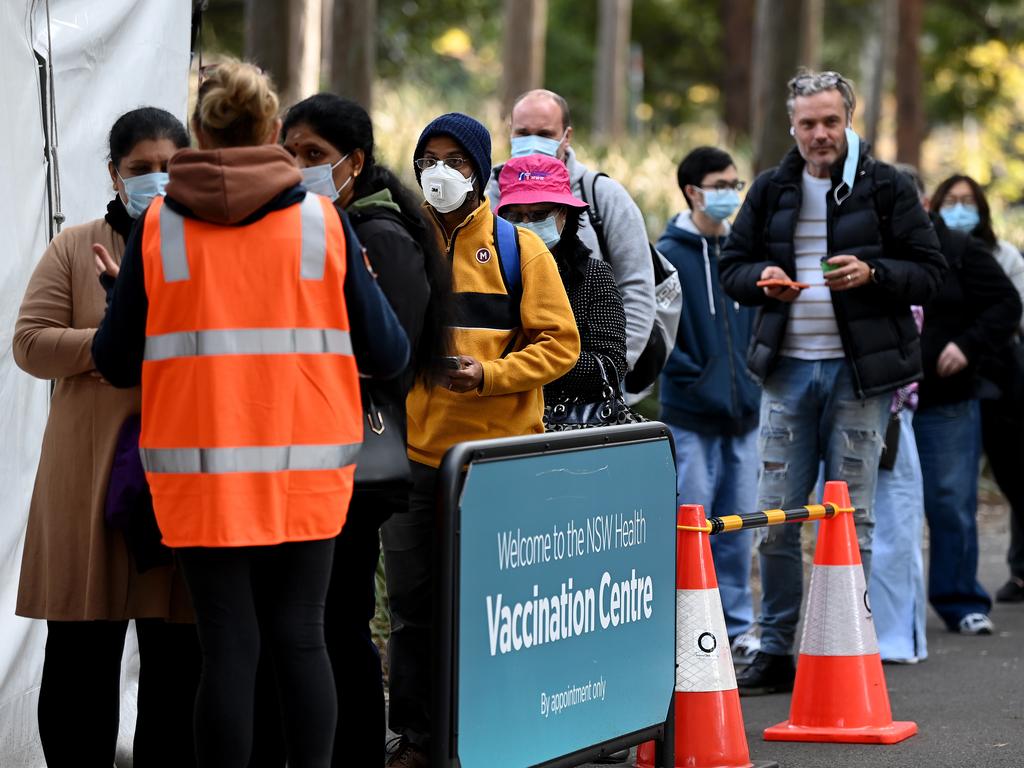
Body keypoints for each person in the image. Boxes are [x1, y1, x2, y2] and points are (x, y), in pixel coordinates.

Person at [91, 60, 409, 768]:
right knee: (301, 638)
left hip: (199, 476)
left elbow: (115, 361)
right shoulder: (321, 222)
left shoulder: (158, 231)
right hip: (308, 470)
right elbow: (389, 353)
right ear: (272, 130)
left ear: (199, 133)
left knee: (228, 648)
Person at [719, 69, 946, 695]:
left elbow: (931, 273)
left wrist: (872, 272)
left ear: (850, 119)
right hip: (787, 373)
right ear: (792, 126)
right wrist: (761, 275)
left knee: (852, 521)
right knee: (777, 520)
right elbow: (730, 266)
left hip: (860, 377)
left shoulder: (887, 187)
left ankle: (847, 648)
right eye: (808, 123)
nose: (820, 134)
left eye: (830, 121)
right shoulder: (770, 188)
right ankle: (775, 648)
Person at [383, 112, 580, 767]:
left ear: (481, 169)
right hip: (413, 461)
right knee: (412, 609)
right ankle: (417, 737)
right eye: (428, 158)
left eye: (456, 160)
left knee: (499, 609)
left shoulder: (523, 250)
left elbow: (562, 345)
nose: (439, 172)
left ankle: (501, 730)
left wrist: (491, 375)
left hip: (497, 467)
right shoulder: (400, 247)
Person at [13, 106, 199, 768]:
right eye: (140, 169)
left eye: (170, 167)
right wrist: (111, 346)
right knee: (80, 659)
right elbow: (30, 344)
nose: (155, 180)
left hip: (177, 478)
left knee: (178, 664)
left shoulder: (207, 250)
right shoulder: (75, 246)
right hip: (86, 480)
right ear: (115, 175)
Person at [280, 93, 452, 768]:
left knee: (340, 620)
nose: (298, 167)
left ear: (354, 162)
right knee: (324, 617)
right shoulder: (330, 225)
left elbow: (391, 351)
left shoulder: (378, 235)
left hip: (359, 457)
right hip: (329, 453)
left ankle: (355, 750)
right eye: (289, 153)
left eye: (314, 156)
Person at [657, 146, 761, 661]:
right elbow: (658, 334)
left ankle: (738, 627)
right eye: (721, 185)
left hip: (745, 416)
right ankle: (690, 629)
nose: (730, 195)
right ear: (692, 191)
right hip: (691, 416)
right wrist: (695, 376)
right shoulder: (668, 254)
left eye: (734, 185)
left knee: (740, 530)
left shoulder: (743, 250)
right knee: (691, 526)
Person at [912, 174, 1022, 635]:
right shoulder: (867, 248)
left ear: (921, 200)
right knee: (885, 510)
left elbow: (1005, 303)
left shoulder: (956, 247)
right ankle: (886, 610)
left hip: (948, 399)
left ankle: (960, 600)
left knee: (951, 501)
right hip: (882, 399)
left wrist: (966, 346)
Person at [485, 89, 656, 383]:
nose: (532, 142)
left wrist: (609, 372)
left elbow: (637, 286)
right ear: (510, 131)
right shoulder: (485, 197)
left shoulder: (603, 195)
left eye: (544, 133)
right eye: (523, 132)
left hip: (586, 389)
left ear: (566, 135)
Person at [496, 153, 627, 428]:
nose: (527, 223)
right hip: (500, 424)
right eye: (515, 215)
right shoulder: (489, 273)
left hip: (571, 430)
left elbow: (611, 365)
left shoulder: (593, 276)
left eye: (539, 214)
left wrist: (526, 364)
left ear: (563, 214)